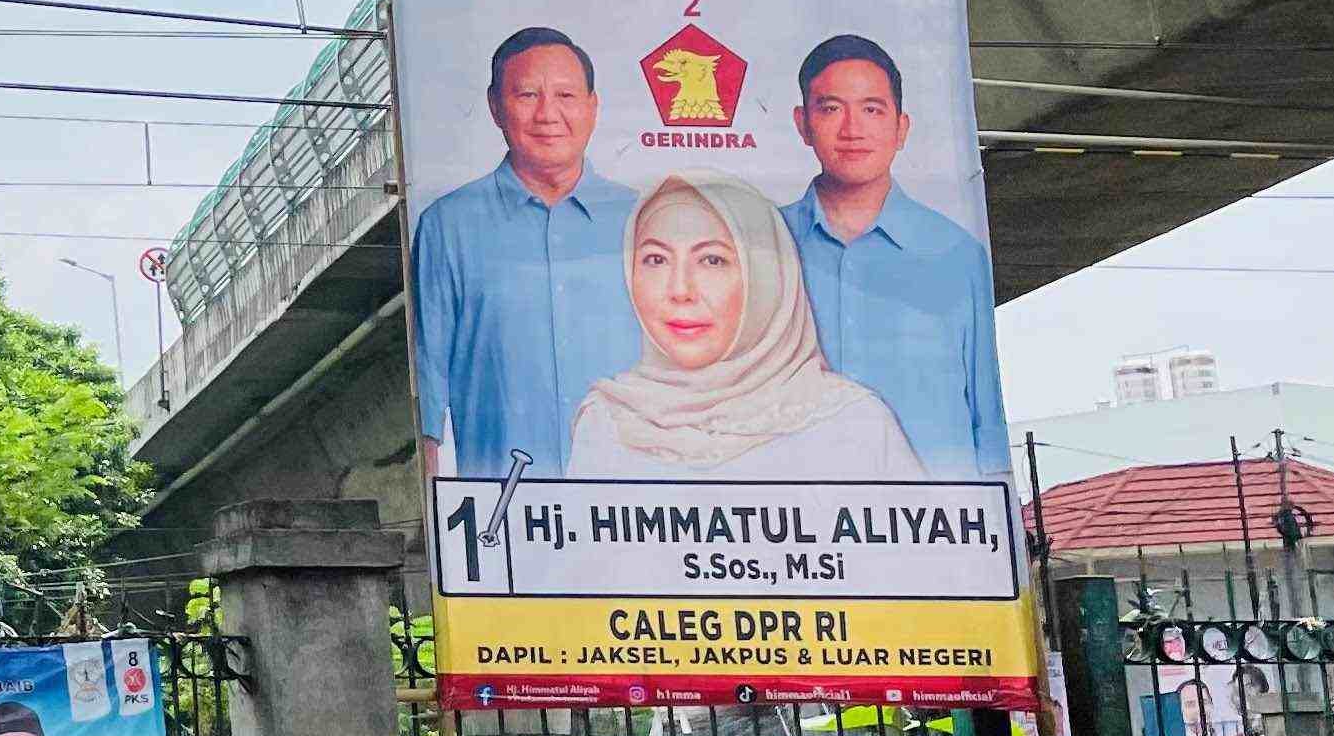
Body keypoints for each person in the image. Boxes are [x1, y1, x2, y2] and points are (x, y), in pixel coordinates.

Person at [566, 175, 927, 478]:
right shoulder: (608, 421)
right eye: (656, 259)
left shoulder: (854, 424)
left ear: (767, 278)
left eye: (712, 260)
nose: (679, 290)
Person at [410, 29, 645, 481]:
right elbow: (429, 375)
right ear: (495, 106)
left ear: (592, 107)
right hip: (505, 502)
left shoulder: (643, 219)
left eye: (565, 96)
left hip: (631, 503)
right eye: (527, 95)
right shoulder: (449, 225)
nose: (547, 114)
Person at [778, 33, 1009, 478]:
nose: (852, 129)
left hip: (930, 511)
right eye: (831, 108)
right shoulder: (761, 245)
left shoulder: (956, 254)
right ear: (802, 123)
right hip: (799, 507)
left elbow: (987, 412)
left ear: (901, 128)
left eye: (872, 109)